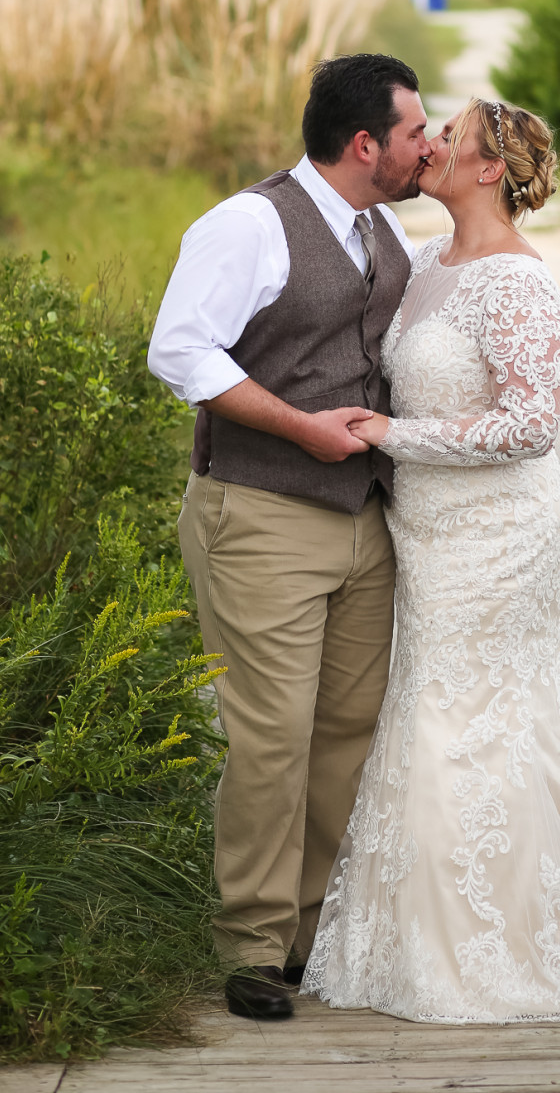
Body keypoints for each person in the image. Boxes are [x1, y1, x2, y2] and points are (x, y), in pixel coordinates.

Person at [303, 98, 560, 1022]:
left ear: (488, 169)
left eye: (449, 135)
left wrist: (396, 435)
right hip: (430, 532)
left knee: (473, 713)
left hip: (504, 533)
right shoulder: (429, 263)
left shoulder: (520, 283)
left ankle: (499, 942)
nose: (429, 143)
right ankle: (416, 931)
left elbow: (530, 425)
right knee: (433, 706)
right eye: (429, 130)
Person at [147, 53, 429, 1021]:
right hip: (262, 512)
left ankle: (313, 934)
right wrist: (300, 428)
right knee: (270, 736)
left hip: (364, 520)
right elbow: (178, 347)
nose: (422, 146)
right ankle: (253, 946)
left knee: (347, 734)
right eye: (412, 132)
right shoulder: (247, 223)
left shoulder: (383, 225)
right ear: (364, 144)